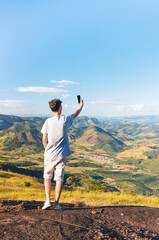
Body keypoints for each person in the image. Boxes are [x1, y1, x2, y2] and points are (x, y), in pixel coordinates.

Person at [41, 97, 84, 210]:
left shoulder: (47, 122)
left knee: (47, 178)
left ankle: (47, 201)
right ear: (60, 108)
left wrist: (47, 150)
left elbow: (44, 140)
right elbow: (76, 113)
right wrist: (81, 105)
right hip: (61, 156)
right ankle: (56, 204)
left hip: (49, 155)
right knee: (59, 178)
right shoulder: (65, 119)